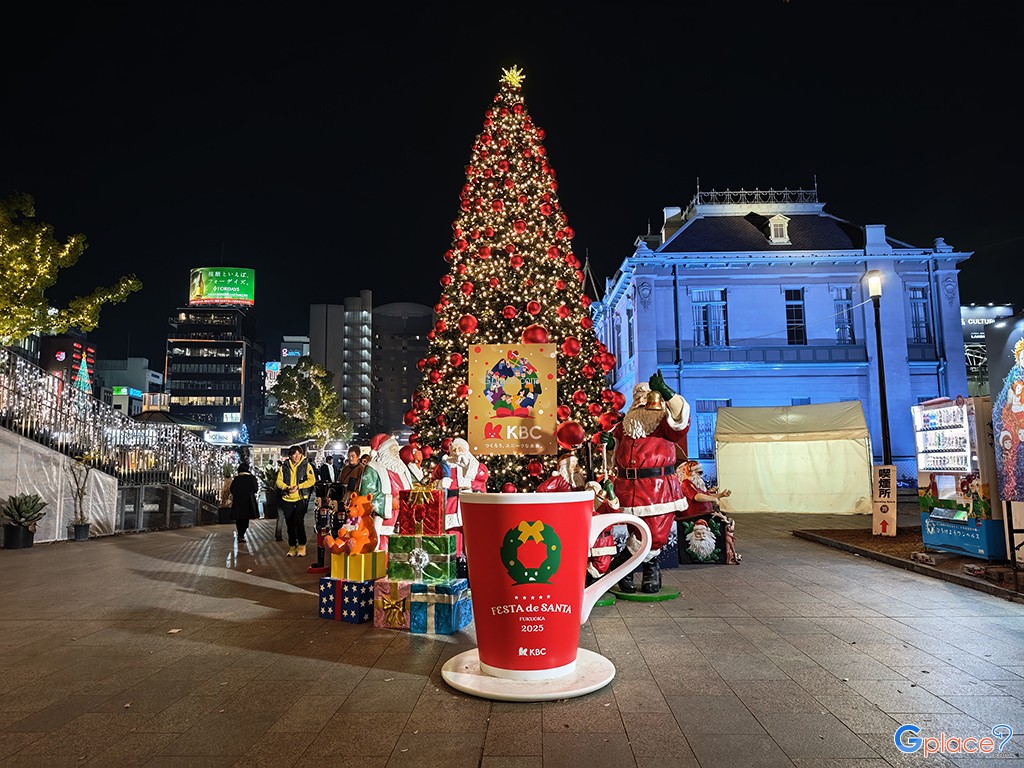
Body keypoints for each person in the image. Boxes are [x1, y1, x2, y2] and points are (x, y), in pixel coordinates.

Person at [601, 371, 690, 594]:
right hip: (627, 487)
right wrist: (610, 442)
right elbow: (617, 449)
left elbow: (681, 421)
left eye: (646, 395)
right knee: (636, 530)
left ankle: (628, 565)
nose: (642, 400)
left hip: (657, 488)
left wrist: (668, 393)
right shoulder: (625, 425)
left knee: (656, 534)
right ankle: (638, 568)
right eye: (638, 396)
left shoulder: (663, 423)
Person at [432, 437, 489, 566]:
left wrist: (467, 466)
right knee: (453, 531)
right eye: (454, 449)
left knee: (472, 533)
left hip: (470, 504)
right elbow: (431, 482)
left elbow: (482, 476)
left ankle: (472, 562)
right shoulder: (445, 465)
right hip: (452, 504)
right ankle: (454, 560)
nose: (457, 452)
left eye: (460, 449)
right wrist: (440, 483)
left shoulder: (475, 466)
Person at [276, 445, 316, 557]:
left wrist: (299, 486)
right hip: (287, 498)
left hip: (301, 498)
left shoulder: (306, 465)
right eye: (294, 454)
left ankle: (302, 545)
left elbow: (312, 480)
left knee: (299, 521)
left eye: (299, 453)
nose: (297, 456)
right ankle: (292, 545)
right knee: (289, 523)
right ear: (290, 455)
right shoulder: (284, 467)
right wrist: (287, 487)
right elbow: (278, 481)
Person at [229, 461, 260, 544]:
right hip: (248, 501)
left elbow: (232, 489)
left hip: (238, 501)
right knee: (246, 519)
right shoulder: (251, 478)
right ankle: (242, 534)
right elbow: (255, 489)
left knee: (239, 519)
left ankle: (240, 534)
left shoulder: (236, 479)